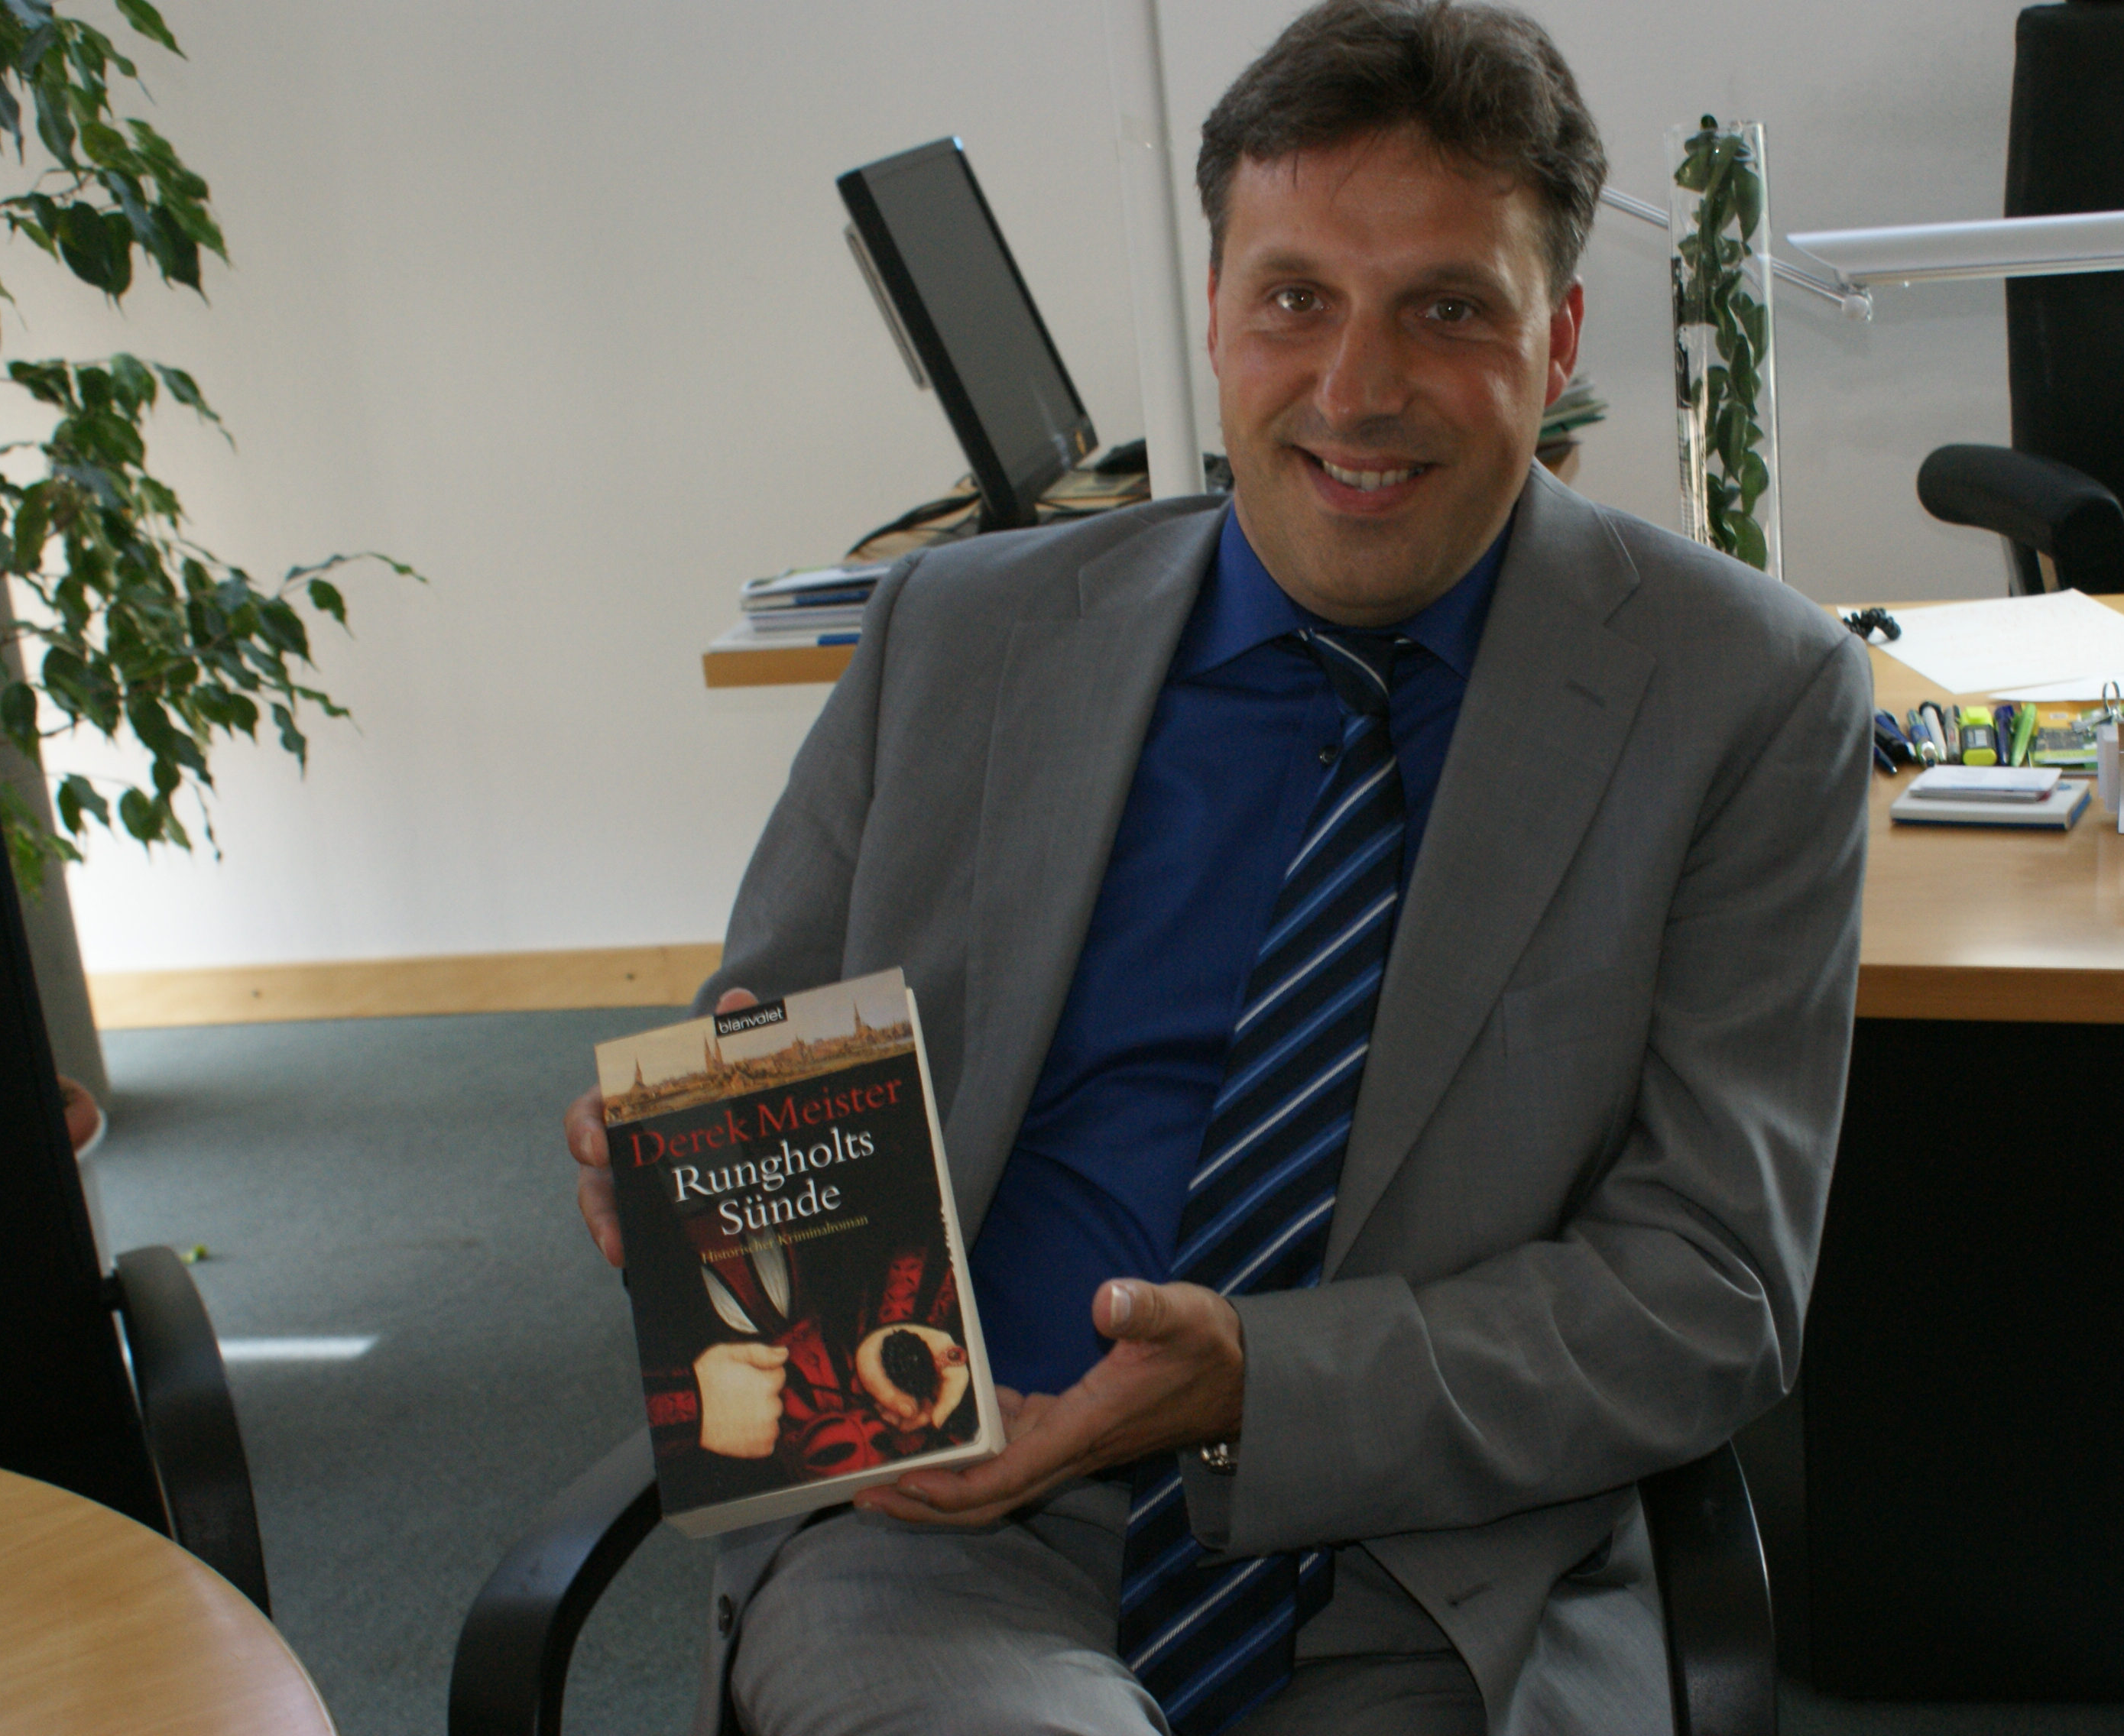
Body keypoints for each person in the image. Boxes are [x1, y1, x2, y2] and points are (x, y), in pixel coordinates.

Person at [566, 2, 1869, 1730]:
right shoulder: (958, 637)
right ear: (1212, 311)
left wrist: (1260, 1381)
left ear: (1557, 337)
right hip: (955, 1525)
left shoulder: (1742, 696)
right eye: (1294, 299)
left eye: (1447, 309)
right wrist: (693, 1184)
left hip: (1440, 1574)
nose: (1357, 389)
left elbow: (1710, 1291)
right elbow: (767, 1068)